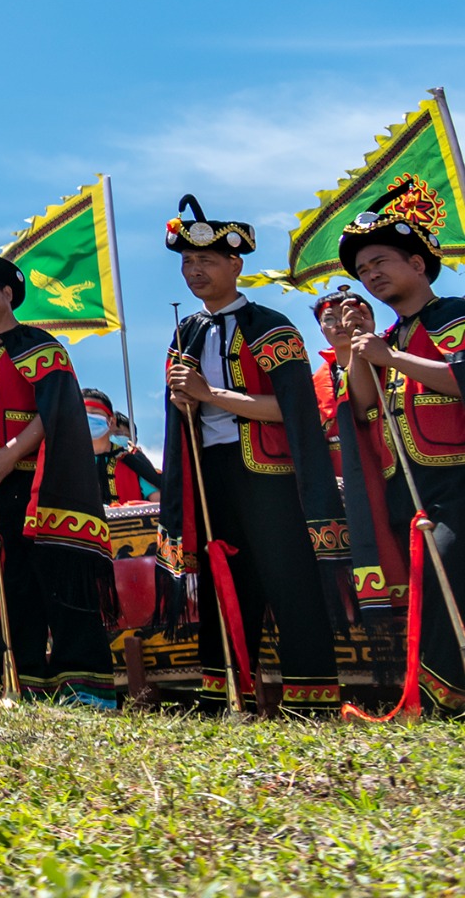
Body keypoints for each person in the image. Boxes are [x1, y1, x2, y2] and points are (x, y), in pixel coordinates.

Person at [157, 195, 350, 715]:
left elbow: (294, 409)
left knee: (287, 577)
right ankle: (220, 696)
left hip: (267, 471)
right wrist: (183, 405)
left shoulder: (270, 325)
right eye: (187, 262)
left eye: (207, 261)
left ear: (235, 265)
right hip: (208, 471)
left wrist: (208, 395)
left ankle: (311, 699)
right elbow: (185, 406)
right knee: (223, 579)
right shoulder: (186, 331)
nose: (194, 271)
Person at [0, 241, 112, 701]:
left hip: (41, 483)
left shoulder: (40, 346)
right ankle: (23, 682)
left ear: (9, 293)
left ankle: (83, 687)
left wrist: (10, 453)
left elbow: (57, 410)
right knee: (12, 587)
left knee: (58, 580)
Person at [336, 182, 465, 710]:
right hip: (411, 489)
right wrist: (360, 350)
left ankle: (445, 700)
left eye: (381, 262)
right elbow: (367, 408)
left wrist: (390, 358)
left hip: (458, 481)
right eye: (364, 271)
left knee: (444, 579)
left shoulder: (452, 316)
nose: (371, 276)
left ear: (418, 262)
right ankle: (441, 702)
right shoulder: (391, 335)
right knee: (424, 586)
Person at [308, 285, 406, 634]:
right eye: (328, 319)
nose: (338, 325)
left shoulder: (394, 356)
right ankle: (360, 634)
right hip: (339, 481)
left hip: (388, 464)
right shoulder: (313, 382)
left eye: (346, 316)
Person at [83, 391, 161, 504]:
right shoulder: (69, 464)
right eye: (83, 414)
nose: (88, 420)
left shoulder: (134, 461)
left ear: (111, 420)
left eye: (95, 413)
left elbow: (159, 504)